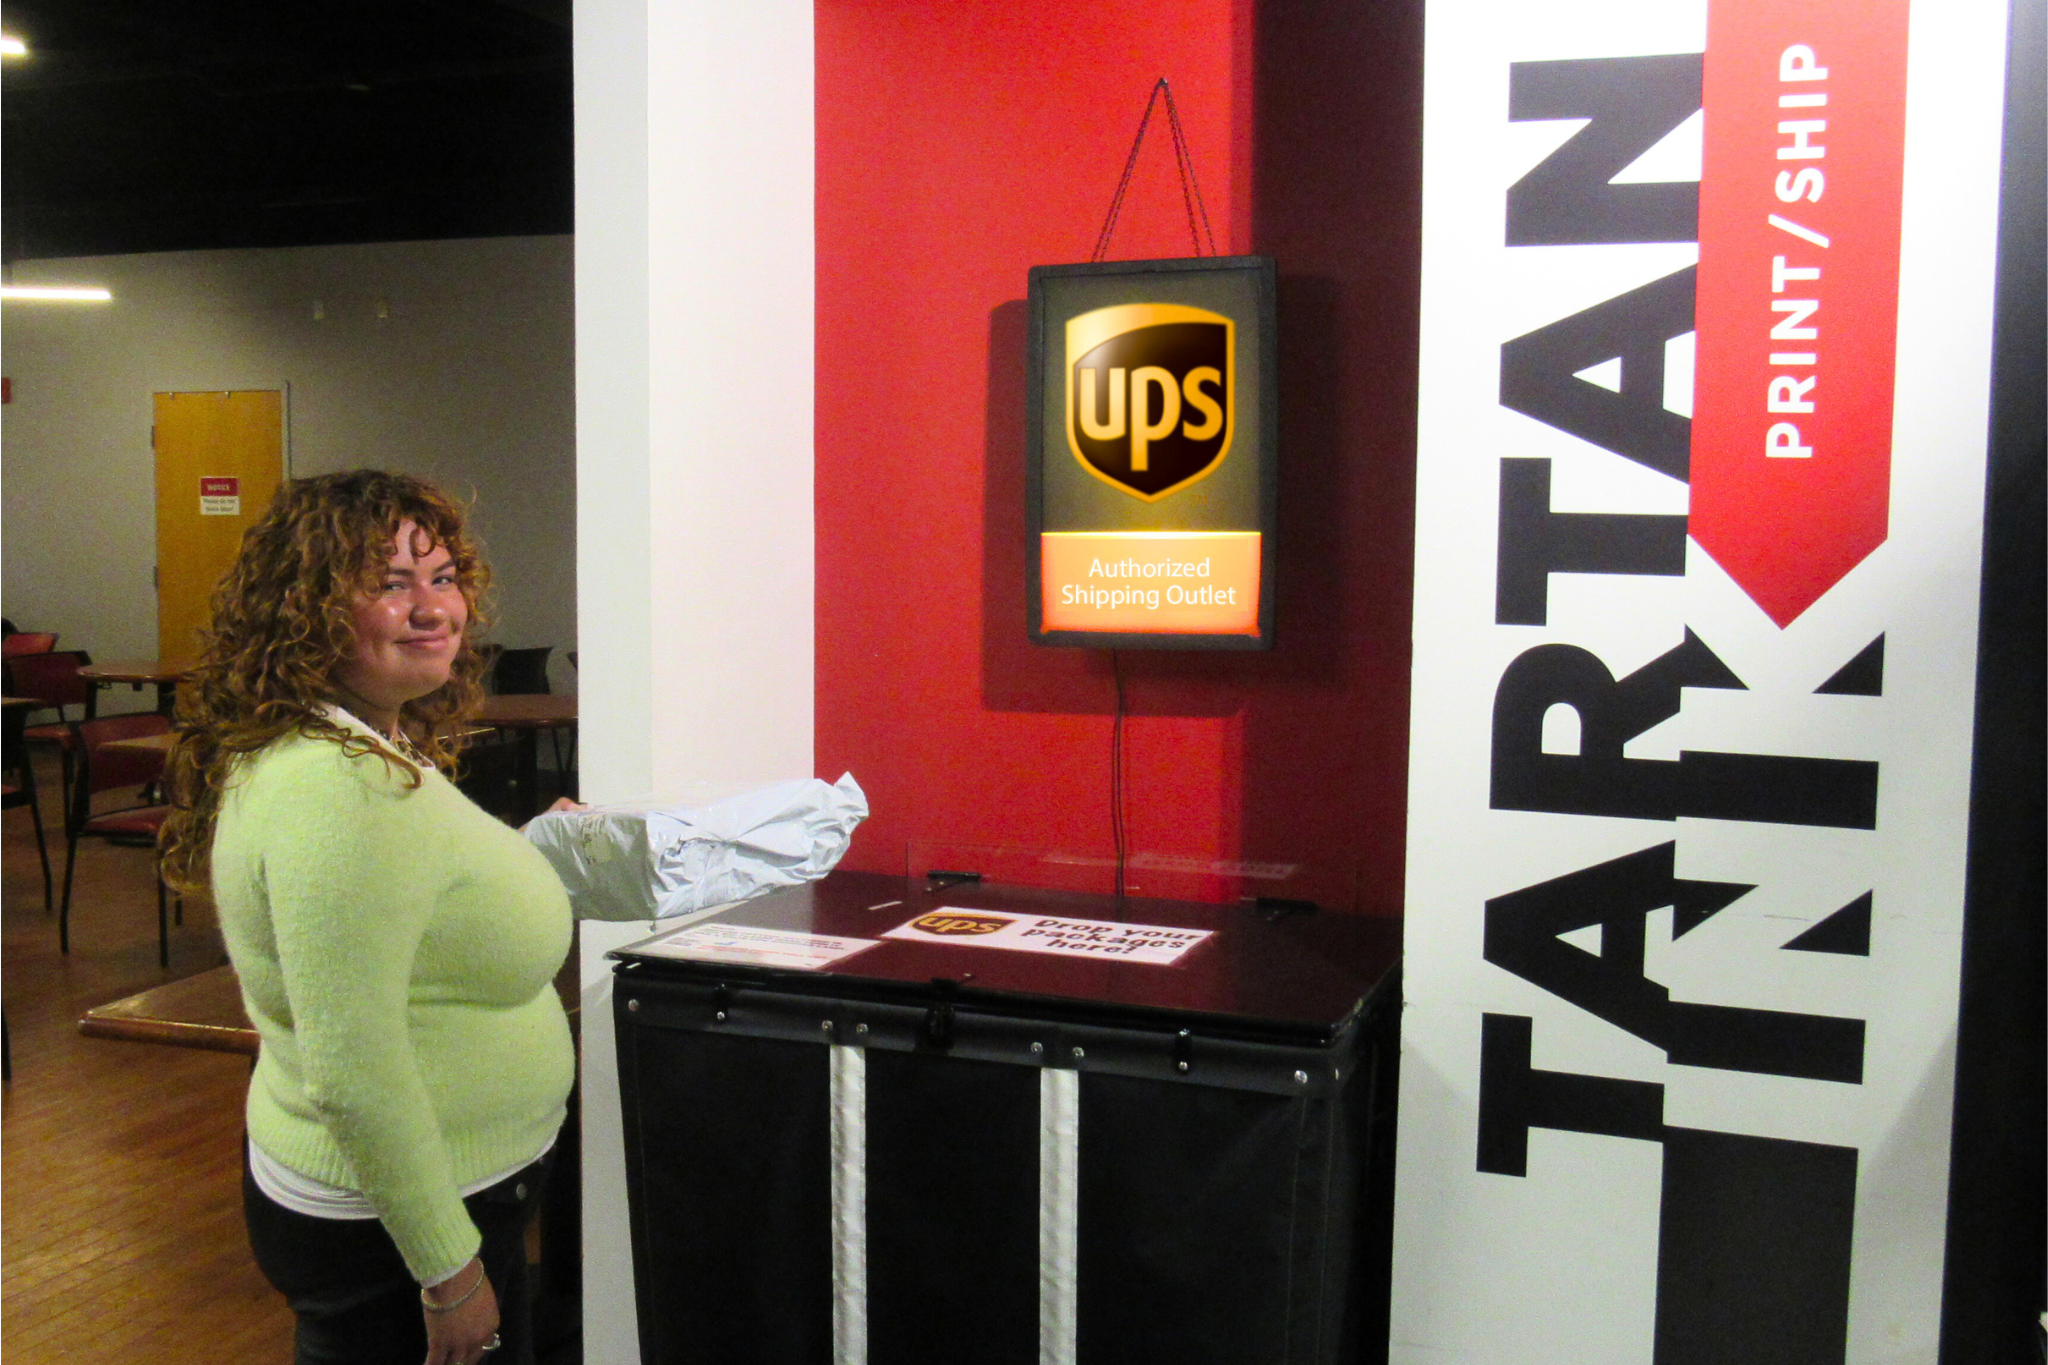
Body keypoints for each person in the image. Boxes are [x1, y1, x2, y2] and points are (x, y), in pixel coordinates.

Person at [161, 470, 575, 1365]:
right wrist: (451, 1274)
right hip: (406, 1236)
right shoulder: (339, 790)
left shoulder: (347, 740)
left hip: (428, 1210)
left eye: (441, 577)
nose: (434, 609)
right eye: (389, 584)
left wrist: (524, 855)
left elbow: (409, 905)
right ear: (304, 610)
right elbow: (354, 1067)